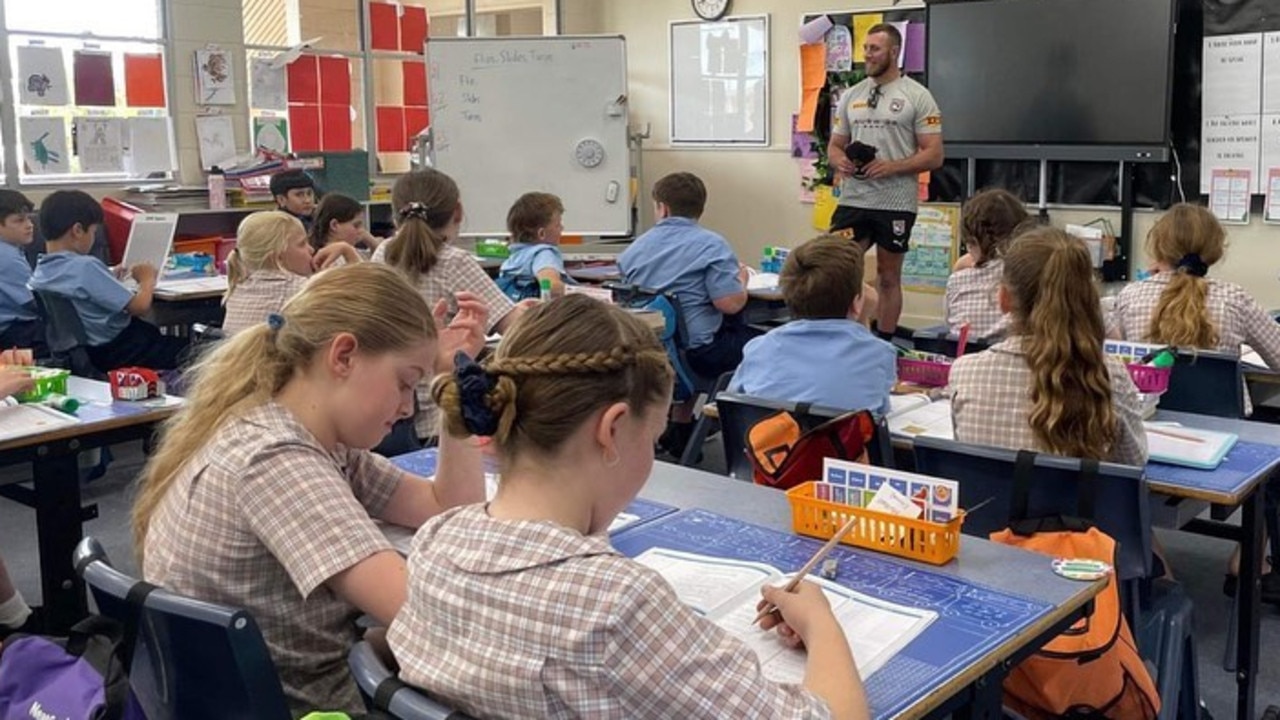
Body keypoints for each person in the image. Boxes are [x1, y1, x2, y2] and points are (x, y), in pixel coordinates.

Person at [389, 294, 867, 720]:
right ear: (612, 429)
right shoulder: (616, 606)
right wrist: (820, 623)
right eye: (654, 439)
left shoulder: (436, 542)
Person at [134, 263, 489, 715]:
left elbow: (448, 504)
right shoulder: (277, 461)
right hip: (312, 706)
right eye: (405, 383)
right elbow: (426, 617)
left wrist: (454, 381)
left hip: (264, 691)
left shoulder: (302, 435)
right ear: (343, 356)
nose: (406, 407)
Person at [1109, 203, 1280, 600]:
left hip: (1147, 434)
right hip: (1224, 444)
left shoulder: (1130, 296)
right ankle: (1250, 559)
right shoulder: (1234, 298)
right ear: (1215, 250)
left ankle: (1155, 561)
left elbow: (1121, 363)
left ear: (1158, 246)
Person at [949, 227, 1147, 466]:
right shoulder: (1108, 375)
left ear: (1003, 298)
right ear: (1086, 299)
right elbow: (1134, 464)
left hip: (987, 504)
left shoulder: (965, 372)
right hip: (1077, 504)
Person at [372, 168, 524, 440]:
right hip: (439, 412)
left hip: (389, 411)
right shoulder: (454, 261)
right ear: (458, 212)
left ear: (395, 214)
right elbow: (513, 325)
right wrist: (528, 314)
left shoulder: (383, 252)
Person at [618, 172, 751, 456]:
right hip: (698, 355)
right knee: (758, 341)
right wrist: (741, 279)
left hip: (650, 350)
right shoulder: (712, 245)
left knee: (687, 329)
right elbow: (730, 303)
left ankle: (679, 425)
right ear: (700, 208)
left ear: (662, 208)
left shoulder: (633, 249)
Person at [826, 23, 944, 342]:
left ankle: (884, 345)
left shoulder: (917, 96)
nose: (867, 55)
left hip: (895, 202)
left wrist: (891, 167)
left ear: (894, 52)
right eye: (865, 49)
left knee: (888, 277)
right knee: (836, 269)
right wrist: (841, 161)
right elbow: (834, 147)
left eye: (874, 49)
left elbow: (934, 155)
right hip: (854, 199)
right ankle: (841, 338)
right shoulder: (852, 95)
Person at [730, 235, 895, 416]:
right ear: (856, 303)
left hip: (774, 442)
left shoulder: (759, 348)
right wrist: (863, 319)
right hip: (839, 443)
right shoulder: (880, 353)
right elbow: (879, 412)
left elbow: (732, 404)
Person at [28, 191, 188, 371]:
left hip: (87, 354)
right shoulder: (86, 267)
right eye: (94, 231)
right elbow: (140, 307)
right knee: (193, 350)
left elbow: (77, 288)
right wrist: (146, 280)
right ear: (78, 230)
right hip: (124, 349)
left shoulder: (41, 271)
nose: (94, 237)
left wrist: (109, 274)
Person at [222, 211, 358, 336]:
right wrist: (348, 251)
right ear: (278, 257)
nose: (311, 250)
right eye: (302, 244)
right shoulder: (306, 290)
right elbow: (369, 306)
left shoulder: (238, 286)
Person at [945, 189, 1032, 341]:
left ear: (972, 242)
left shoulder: (956, 280)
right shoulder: (1028, 274)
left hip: (961, 358)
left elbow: (949, 322)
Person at [497, 191, 570, 299]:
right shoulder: (544, 253)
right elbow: (551, 286)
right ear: (541, 233)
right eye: (558, 225)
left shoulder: (514, 256)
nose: (562, 228)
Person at [0, 190, 43, 357]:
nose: (29, 225)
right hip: (13, 333)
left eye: (28, 218)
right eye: (19, 221)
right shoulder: (7, 257)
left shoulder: (10, 250)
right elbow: (34, 302)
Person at [308, 192, 382, 257]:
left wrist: (370, 240)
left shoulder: (350, 251)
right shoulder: (334, 258)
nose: (362, 231)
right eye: (356, 226)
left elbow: (377, 256)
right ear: (334, 225)